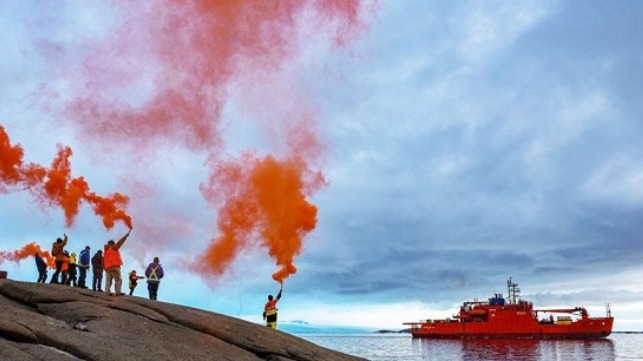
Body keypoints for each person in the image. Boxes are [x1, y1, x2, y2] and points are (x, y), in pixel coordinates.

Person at [103, 229, 131, 296]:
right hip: (115, 266)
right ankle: (118, 291)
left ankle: (107, 291)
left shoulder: (105, 251)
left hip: (107, 268)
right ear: (112, 244)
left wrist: (104, 268)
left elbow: (103, 260)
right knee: (118, 279)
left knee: (108, 280)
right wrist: (125, 236)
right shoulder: (113, 248)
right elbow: (120, 242)